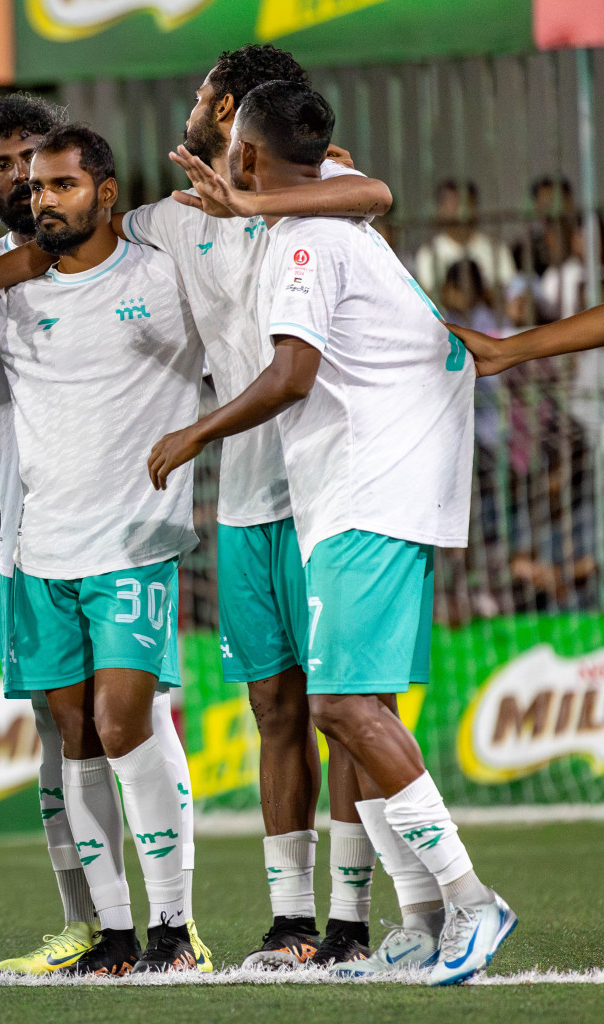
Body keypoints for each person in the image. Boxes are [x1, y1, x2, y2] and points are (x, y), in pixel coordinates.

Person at [0, 44, 399, 972]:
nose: (195, 106)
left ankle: (345, 918)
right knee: (274, 710)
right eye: (21, 179)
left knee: (343, 706)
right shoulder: (168, 221)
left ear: (238, 112)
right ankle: (271, 924)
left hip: (330, 482)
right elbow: (38, 261)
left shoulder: (306, 190)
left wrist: (253, 202)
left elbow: (375, 200)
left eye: (209, 96)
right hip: (223, 502)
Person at [147, 81, 517, 986]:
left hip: (369, 486)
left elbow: (292, 374)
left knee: (340, 707)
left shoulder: (304, 238)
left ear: (243, 155)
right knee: (354, 706)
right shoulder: (300, 223)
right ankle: (422, 918)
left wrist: (193, 433)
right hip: (354, 488)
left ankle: (473, 901)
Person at [0, 92, 211, 977]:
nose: (39, 193)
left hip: (133, 539)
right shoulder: (5, 292)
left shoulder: (162, 270)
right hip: (37, 548)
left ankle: (176, 927)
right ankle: (115, 933)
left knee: (125, 718)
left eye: (59, 181)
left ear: (104, 191)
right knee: (76, 738)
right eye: (27, 179)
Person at [414, 180, 516, 303]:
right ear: (440, 211)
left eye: (464, 203)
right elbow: (429, 298)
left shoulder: (496, 249)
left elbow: (510, 293)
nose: (459, 212)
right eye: (452, 205)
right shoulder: (428, 253)